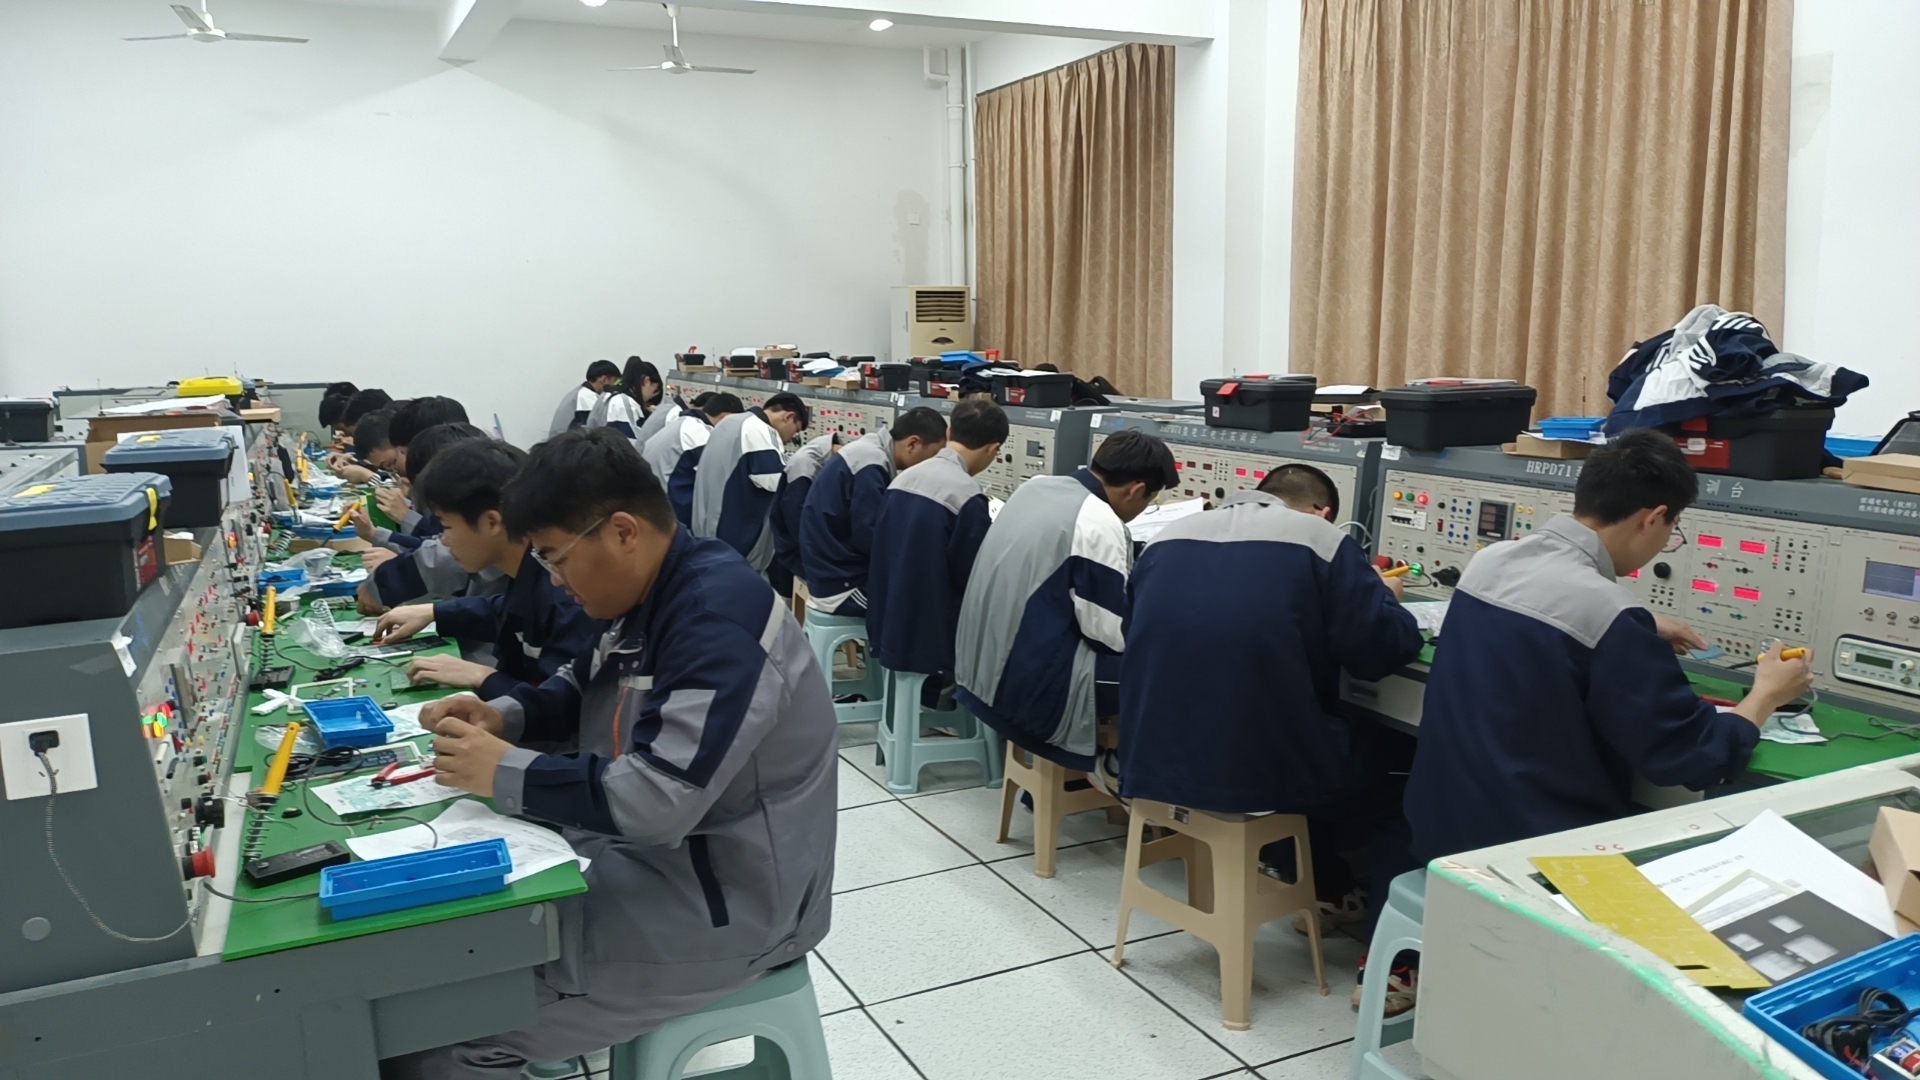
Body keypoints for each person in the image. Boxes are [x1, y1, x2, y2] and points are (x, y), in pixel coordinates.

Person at [382, 427, 836, 1079]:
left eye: (556, 558)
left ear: (623, 531)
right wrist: (503, 716)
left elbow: (654, 802)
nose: (555, 580)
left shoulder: (715, 620)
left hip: (726, 904)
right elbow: (581, 683)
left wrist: (503, 770)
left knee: (438, 1033)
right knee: (435, 955)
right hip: (649, 864)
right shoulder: (651, 591)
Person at [1404, 429, 1816, 865]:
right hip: (1537, 856)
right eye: (1674, 529)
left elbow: (1545, 620)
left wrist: (1638, 625)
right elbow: (1693, 758)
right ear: (1653, 518)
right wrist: (1766, 695)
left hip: (1443, 831)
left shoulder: (1490, 561)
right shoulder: (1612, 617)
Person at [1115, 463, 1423, 963]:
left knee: (1291, 728)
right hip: (1252, 775)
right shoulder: (1322, 541)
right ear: (1323, 512)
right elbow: (1381, 651)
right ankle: (1391, 964)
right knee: (1409, 779)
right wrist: (1388, 601)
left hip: (1148, 760)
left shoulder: (1168, 537)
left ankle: (1326, 888)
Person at [953, 429, 1176, 768]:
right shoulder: (1099, 521)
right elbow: (1109, 636)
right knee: (1167, 673)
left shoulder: (1035, 487)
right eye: (1151, 499)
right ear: (1136, 489)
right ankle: (1117, 770)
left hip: (977, 666)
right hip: (1026, 683)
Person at [371, 439, 597, 696]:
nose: (443, 540)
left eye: (446, 526)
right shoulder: (529, 571)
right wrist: (434, 612)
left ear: (492, 522)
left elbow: (560, 708)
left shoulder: (562, 596)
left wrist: (483, 677)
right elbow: (502, 610)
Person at [865, 399, 1006, 685]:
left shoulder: (902, 479)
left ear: (950, 432)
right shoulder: (967, 495)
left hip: (886, 622)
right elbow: (973, 577)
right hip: (931, 641)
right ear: (992, 448)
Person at [799, 406, 948, 617]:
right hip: (840, 584)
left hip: (830, 569)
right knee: (922, 609)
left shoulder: (869, 449)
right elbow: (869, 537)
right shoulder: (871, 463)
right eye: (933, 456)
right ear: (912, 443)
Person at [691, 392, 809, 570]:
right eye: (796, 430)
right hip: (734, 549)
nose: (793, 437)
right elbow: (780, 484)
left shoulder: (731, 422)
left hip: (709, 535)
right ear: (788, 416)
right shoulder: (759, 430)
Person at [645, 393, 740, 527]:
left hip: (653, 500)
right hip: (671, 511)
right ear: (726, 417)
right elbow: (714, 481)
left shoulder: (683, 423)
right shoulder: (700, 435)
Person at [767, 431, 839, 600]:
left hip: (790, 547)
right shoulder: (805, 467)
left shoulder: (820, 453)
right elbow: (796, 519)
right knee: (787, 601)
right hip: (790, 553)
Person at [593, 357, 663, 447]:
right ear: (646, 381)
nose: (652, 396)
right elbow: (636, 444)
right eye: (654, 390)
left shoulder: (610, 394)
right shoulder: (624, 403)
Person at [550, 360, 619, 438]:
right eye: (615, 382)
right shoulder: (586, 397)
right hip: (566, 443)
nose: (615, 386)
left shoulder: (580, 392)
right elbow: (594, 429)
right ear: (604, 380)